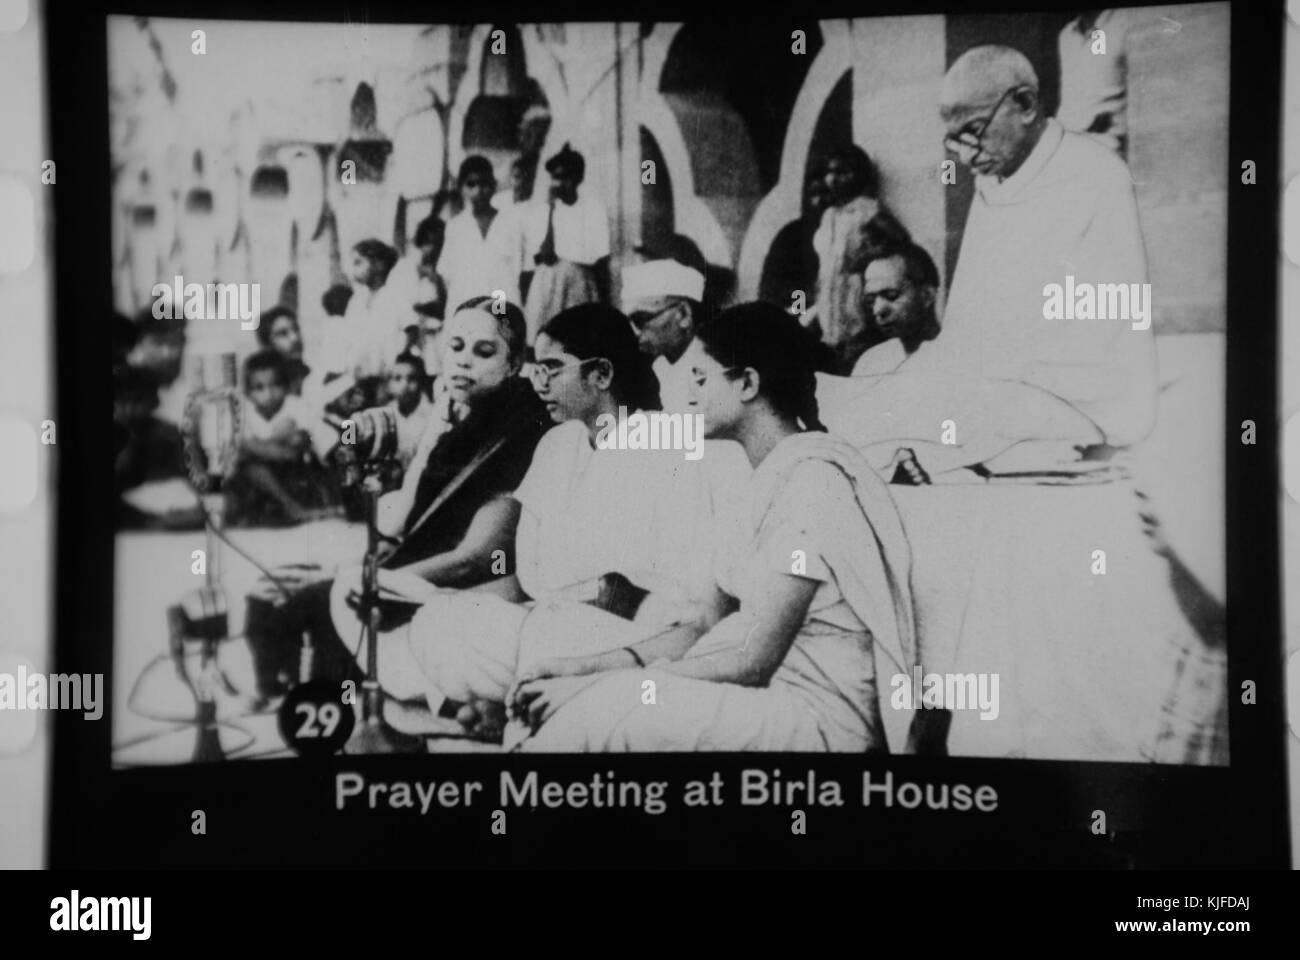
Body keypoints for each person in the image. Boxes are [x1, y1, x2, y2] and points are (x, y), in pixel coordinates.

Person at [508, 301, 919, 753]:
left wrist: (608, 684)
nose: (688, 396)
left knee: (617, 709)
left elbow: (754, 660)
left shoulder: (813, 485)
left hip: (818, 716)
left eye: (701, 379)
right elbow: (702, 624)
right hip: (760, 695)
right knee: (569, 672)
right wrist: (582, 669)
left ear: (748, 383)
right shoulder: (751, 481)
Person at [355, 302, 724, 742]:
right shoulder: (558, 444)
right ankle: (517, 700)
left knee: (545, 634)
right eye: (536, 370)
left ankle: (521, 709)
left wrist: (572, 609)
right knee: (439, 622)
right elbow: (530, 581)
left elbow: (661, 596)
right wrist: (445, 598)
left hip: (628, 635)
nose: (539, 383)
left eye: (552, 369)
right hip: (548, 620)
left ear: (601, 374)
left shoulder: (661, 444)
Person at [247, 297, 552, 700]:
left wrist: (377, 580)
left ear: (514, 364)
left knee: (312, 605)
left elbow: (475, 559)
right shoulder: (460, 415)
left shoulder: (516, 433)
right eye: (456, 347)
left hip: (461, 590)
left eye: (483, 352)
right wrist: (361, 563)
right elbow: (409, 514)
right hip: (418, 566)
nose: (463, 361)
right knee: (272, 594)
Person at [913, 43, 1156, 448]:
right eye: (955, 142)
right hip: (1002, 396)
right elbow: (967, 323)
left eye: (975, 131)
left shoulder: (1095, 176)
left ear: (1025, 105)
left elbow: (1105, 334)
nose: (967, 157)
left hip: (1080, 407)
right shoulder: (992, 183)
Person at [808, 144, 911, 374]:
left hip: (857, 305)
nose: (834, 179)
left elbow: (900, 240)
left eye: (843, 172)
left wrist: (865, 259)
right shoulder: (829, 215)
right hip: (830, 306)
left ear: (858, 175)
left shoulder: (867, 210)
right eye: (830, 172)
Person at [225, 350, 337, 526]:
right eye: (259, 388)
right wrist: (277, 440)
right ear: (248, 392)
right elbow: (241, 448)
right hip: (262, 476)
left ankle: (297, 508)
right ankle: (288, 509)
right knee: (250, 469)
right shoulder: (246, 413)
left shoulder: (294, 406)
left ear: (287, 386)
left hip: (292, 471)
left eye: (276, 385)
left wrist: (257, 446)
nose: (268, 394)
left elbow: (294, 451)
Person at [520, 143, 610, 341]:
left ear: (578, 178)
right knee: (545, 337)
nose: (560, 183)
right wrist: (552, 210)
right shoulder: (542, 211)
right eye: (555, 178)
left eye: (566, 177)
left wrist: (605, 301)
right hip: (549, 283)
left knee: (578, 337)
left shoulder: (593, 209)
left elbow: (602, 260)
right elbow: (544, 256)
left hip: (580, 283)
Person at [437, 157, 522, 317]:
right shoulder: (455, 226)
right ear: (461, 188)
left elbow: (518, 271)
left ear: (494, 185)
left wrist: (502, 312)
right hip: (465, 306)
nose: (478, 190)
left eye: (484, 183)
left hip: (501, 304)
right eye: (471, 184)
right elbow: (446, 274)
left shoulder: (510, 222)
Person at [623, 258, 707, 413]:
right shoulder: (660, 366)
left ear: (683, 315)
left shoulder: (710, 371)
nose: (635, 332)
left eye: (640, 319)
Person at [849, 242, 942, 376]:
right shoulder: (870, 362)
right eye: (871, 300)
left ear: (927, 296)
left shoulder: (955, 355)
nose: (878, 310)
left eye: (891, 295)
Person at [384, 351, 435, 472]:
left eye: (412, 379)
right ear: (389, 385)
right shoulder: (385, 414)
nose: (404, 385)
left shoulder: (434, 415)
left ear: (421, 382)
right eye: (397, 378)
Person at [255, 306, 310, 395]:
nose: (295, 338)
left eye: (296, 329)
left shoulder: (313, 376)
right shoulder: (267, 389)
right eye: (283, 333)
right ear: (268, 344)